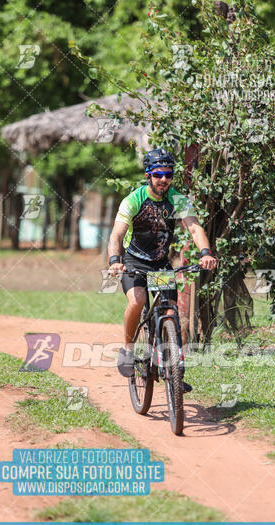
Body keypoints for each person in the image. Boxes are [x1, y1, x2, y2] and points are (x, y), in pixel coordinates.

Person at [107, 148, 217, 391]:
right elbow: (117, 233)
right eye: (158, 174)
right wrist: (115, 259)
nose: (163, 180)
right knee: (137, 301)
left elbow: (195, 228)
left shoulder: (177, 199)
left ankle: (174, 370)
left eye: (168, 174)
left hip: (160, 264)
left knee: (170, 312)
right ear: (148, 175)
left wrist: (205, 253)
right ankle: (127, 349)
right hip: (135, 262)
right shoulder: (133, 200)